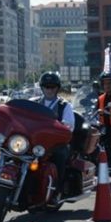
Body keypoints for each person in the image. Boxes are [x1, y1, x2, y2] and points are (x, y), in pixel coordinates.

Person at [33, 71, 75, 203]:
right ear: (42, 88)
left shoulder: (64, 106)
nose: (49, 90)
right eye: (46, 86)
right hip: (35, 141)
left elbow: (69, 126)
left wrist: (61, 126)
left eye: (52, 87)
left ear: (57, 88)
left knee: (59, 156)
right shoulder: (34, 103)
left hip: (56, 143)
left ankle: (57, 191)